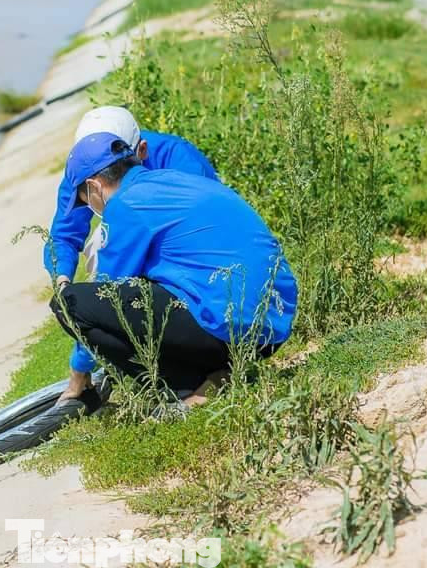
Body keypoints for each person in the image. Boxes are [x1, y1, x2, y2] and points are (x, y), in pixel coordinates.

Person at [50, 132, 298, 408]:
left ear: (94, 186)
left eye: (84, 200)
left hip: (229, 329)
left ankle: (190, 387)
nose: (88, 206)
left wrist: (78, 371)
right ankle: (218, 372)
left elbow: (107, 291)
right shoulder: (175, 179)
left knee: (68, 302)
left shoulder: (125, 204)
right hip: (272, 325)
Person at [44, 106, 217, 288]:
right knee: (101, 241)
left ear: (141, 150)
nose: (107, 175)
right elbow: (63, 236)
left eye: (114, 167)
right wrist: (62, 281)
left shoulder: (178, 157)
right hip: (130, 230)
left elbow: (204, 221)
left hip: (182, 238)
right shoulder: (82, 169)